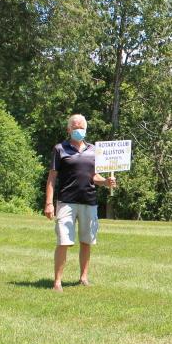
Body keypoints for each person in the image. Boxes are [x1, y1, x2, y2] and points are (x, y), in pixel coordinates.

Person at [44, 114, 116, 291]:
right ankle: (57, 282)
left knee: (86, 241)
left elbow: (94, 176)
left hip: (88, 201)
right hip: (66, 201)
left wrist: (106, 182)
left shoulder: (94, 150)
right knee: (64, 241)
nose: (78, 130)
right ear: (69, 129)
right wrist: (49, 203)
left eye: (81, 127)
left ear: (86, 129)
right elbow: (52, 178)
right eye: (75, 127)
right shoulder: (60, 149)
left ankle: (83, 278)